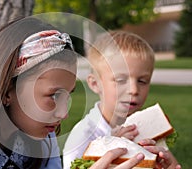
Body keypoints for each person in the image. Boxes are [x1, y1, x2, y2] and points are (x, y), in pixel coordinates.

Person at [0, 18, 146, 169]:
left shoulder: (42, 135)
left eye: (67, 95)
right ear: (6, 91)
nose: (63, 113)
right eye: (53, 96)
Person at [63, 31, 181, 169]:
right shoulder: (82, 137)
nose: (134, 90)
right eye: (120, 80)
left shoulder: (144, 128)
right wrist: (114, 145)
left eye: (142, 81)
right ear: (95, 84)